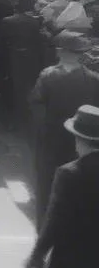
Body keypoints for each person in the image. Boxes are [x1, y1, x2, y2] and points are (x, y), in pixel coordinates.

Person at [19, 104, 99, 268]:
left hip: (70, 260)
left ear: (80, 139)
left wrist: (36, 255)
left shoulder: (69, 173)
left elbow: (55, 221)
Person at [28, 30, 99, 227]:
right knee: (80, 184)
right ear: (79, 54)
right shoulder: (93, 79)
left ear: (61, 52)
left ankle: (45, 227)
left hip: (51, 140)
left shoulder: (48, 75)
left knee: (48, 185)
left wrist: (45, 128)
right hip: (84, 141)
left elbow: (36, 104)